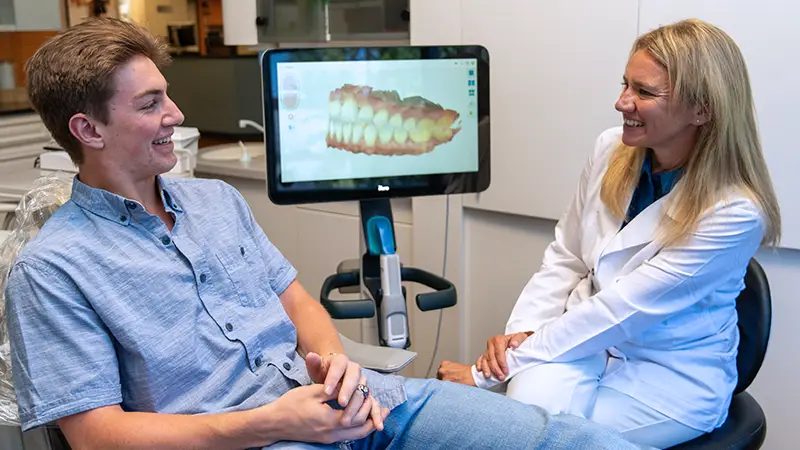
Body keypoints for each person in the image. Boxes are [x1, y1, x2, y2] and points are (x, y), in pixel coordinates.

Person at [1, 17, 653, 450]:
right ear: (88, 130)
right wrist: (275, 421)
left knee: (560, 437)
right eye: (149, 105)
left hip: (344, 401)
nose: (175, 113)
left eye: (166, 95)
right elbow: (94, 433)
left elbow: (298, 303)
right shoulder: (53, 271)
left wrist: (334, 362)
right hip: (256, 438)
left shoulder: (215, 202)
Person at [437, 18, 781, 449]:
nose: (622, 103)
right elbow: (566, 257)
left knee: (545, 440)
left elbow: (623, 309)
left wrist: (485, 373)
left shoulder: (734, 212)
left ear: (703, 109)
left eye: (644, 92)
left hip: (667, 376)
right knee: (517, 429)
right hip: (579, 345)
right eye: (625, 85)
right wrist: (522, 333)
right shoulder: (612, 150)